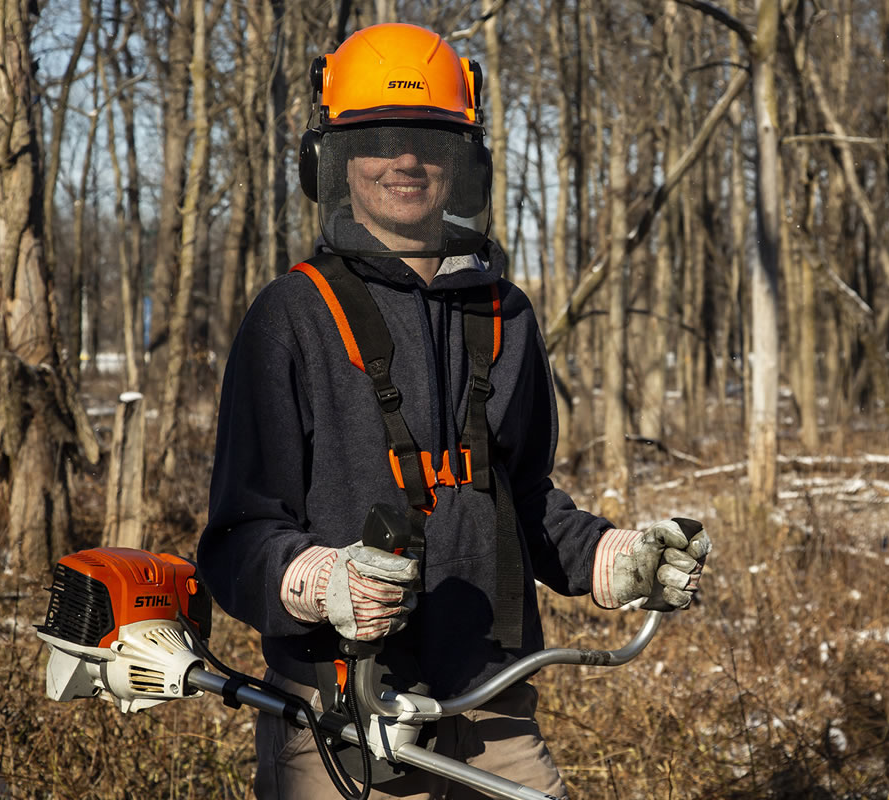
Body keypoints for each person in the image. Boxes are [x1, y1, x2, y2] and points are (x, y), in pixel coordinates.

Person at [197, 22, 710, 800]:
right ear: (331, 159)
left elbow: (523, 501)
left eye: (428, 138)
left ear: (461, 160)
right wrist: (321, 581)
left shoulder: (507, 315)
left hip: (492, 703)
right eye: (380, 138)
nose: (405, 159)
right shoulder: (290, 317)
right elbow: (236, 541)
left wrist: (615, 560)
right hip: (342, 712)